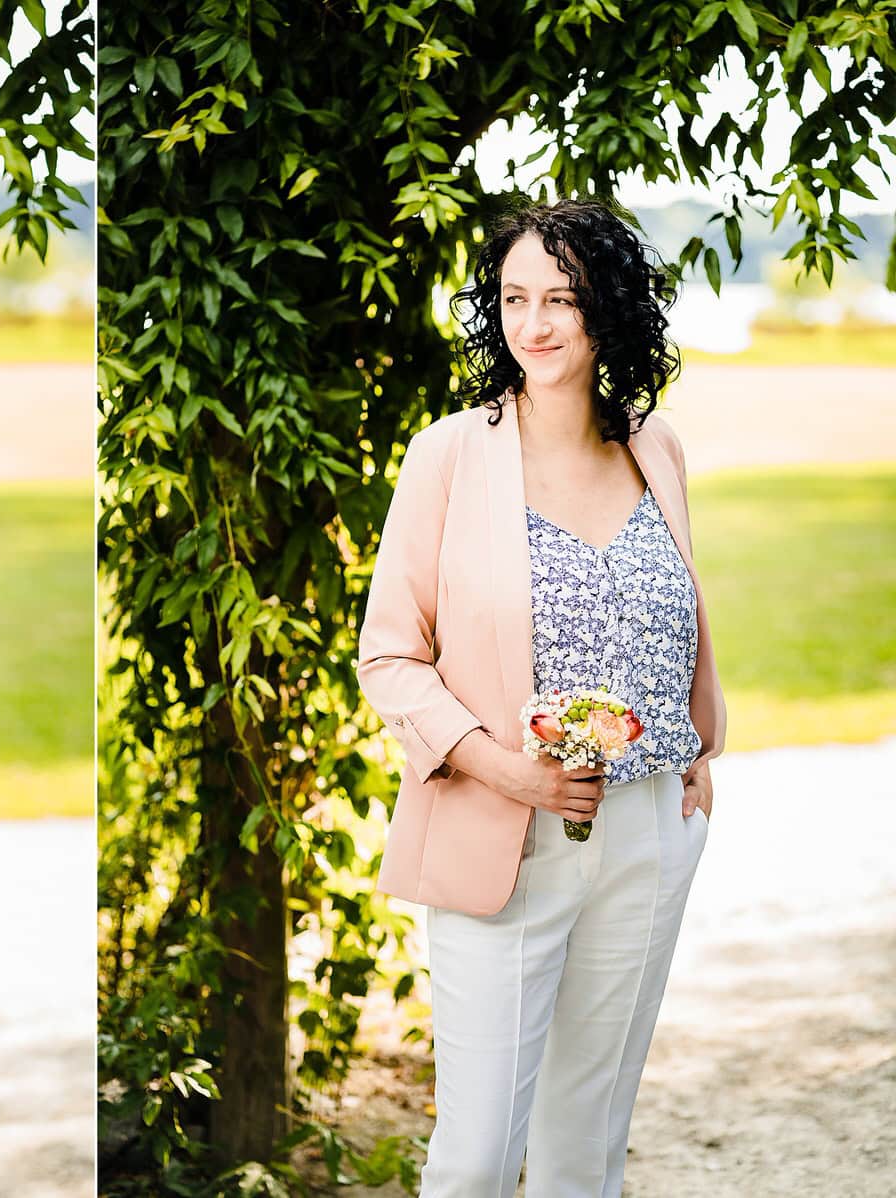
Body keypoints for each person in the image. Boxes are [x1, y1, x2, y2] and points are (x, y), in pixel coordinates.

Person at [355, 197, 725, 1197]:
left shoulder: (656, 447)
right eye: (515, 298)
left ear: (610, 309)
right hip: (499, 837)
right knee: (474, 1158)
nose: (536, 324)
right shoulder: (448, 453)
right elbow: (388, 657)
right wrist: (506, 770)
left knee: (584, 1147)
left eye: (561, 298)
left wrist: (695, 755)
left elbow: (674, 610)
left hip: (649, 833)